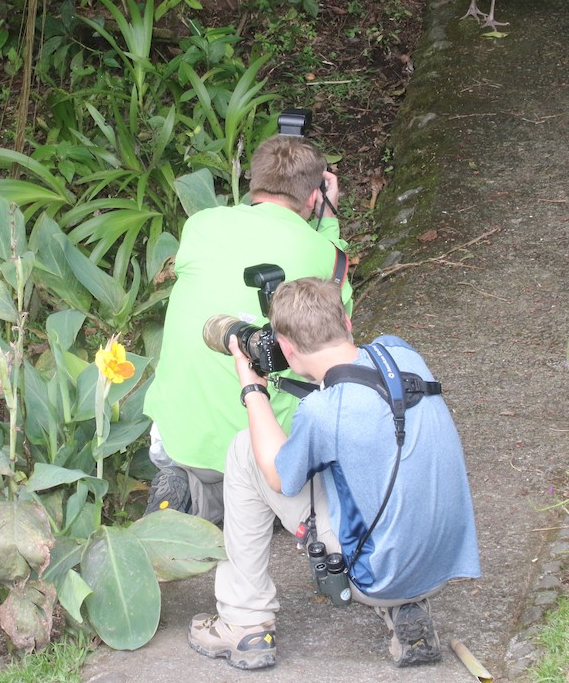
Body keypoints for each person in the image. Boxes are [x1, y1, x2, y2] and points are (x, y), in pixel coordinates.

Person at [188, 277, 480, 670]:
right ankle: (407, 609)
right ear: (346, 321)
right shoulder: (401, 352)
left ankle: (244, 623)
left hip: (377, 577)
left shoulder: (324, 412)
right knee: (375, 468)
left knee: (246, 450)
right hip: (442, 563)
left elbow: (279, 477)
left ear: (287, 349)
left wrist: (253, 389)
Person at [144, 133, 352, 523]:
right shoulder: (322, 252)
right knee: (329, 356)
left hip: (177, 435)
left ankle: (181, 482)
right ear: (313, 197)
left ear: (253, 182)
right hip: (260, 450)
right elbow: (335, 333)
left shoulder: (201, 225)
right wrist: (329, 223)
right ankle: (253, 502)